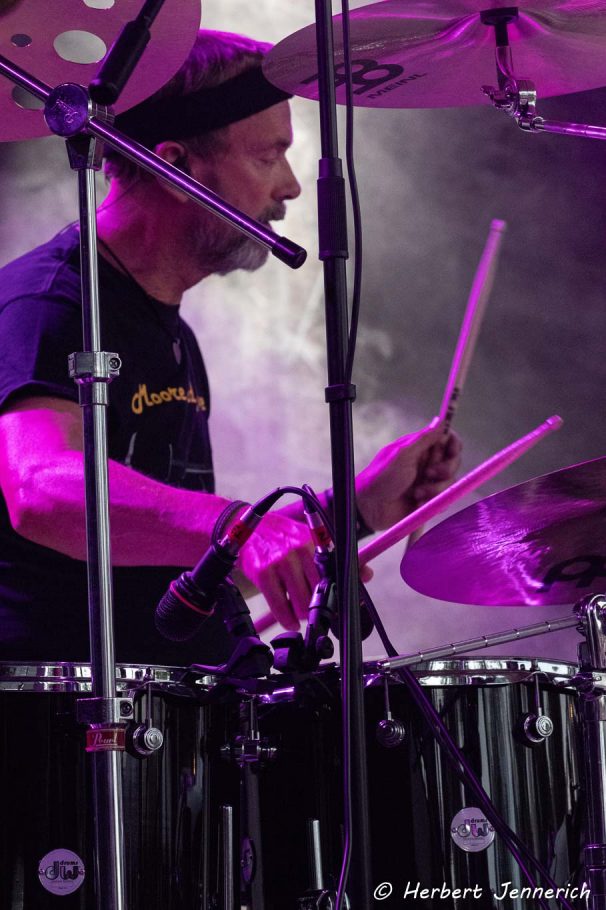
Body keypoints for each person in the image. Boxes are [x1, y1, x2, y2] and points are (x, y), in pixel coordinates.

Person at [0, 30, 461, 667]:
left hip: (167, 711)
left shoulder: (173, 333)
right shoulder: (50, 301)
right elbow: (40, 491)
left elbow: (187, 577)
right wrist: (235, 526)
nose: (292, 187)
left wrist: (355, 510)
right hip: (70, 720)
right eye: (270, 157)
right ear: (176, 167)